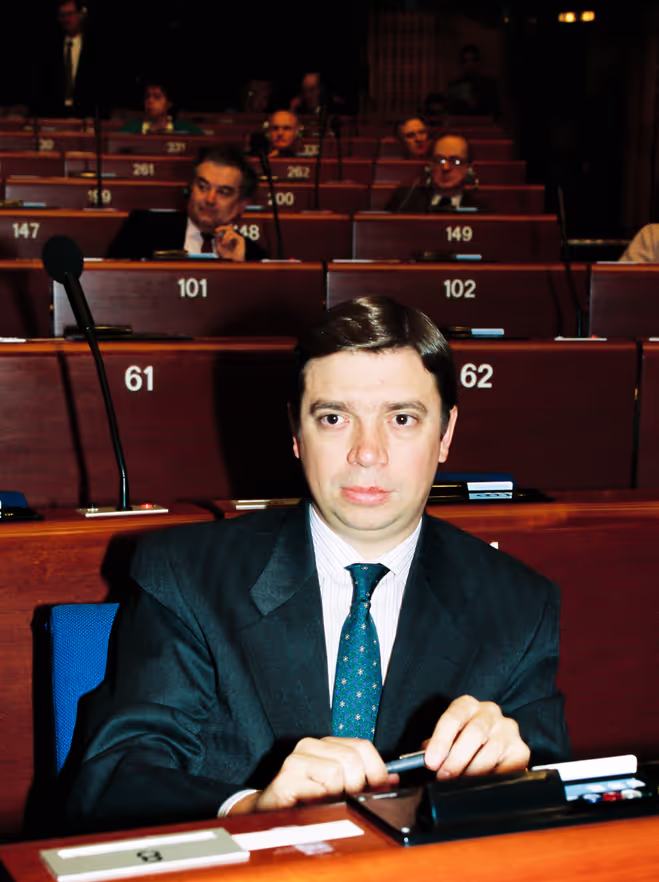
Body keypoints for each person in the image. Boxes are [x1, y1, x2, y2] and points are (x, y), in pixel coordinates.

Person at [64, 296, 569, 832]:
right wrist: (254, 811)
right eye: (333, 418)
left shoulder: (518, 605)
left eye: (402, 418)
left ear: (444, 434)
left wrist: (520, 778)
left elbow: (559, 808)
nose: (367, 452)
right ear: (296, 433)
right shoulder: (186, 576)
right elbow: (113, 782)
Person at [108, 145, 267, 261]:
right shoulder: (142, 229)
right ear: (190, 189)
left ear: (241, 206)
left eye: (223, 192)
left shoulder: (252, 256)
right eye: (202, 187)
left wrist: (237, 269)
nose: (209, 199)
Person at [387, 133, 482, 212]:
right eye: (439, 160)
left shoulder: (480, 210)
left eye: (455, 161)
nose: (446, 168)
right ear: (430, 166)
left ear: (468, 168)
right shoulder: (405, 200)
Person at [37, 0, 100, 117]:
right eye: (62, 15)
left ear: (80, 15)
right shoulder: (49, 48)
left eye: (70, 14)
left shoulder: (93, 48)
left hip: (86, 114)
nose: (66, 19)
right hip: (55, 114)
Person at [120, 80, 203, 136]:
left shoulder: (188, 131)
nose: (150, 101)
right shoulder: (129, 130)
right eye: (147, 96)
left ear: (169, 103)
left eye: (157, 97)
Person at [446, 44, 499, 118]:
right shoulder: (454, 85)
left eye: (473, 60)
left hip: (484, 125)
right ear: (461, 64)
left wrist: (478, 104)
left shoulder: (489, 84)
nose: (470, 64)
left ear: (478, 62)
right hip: (461, 125)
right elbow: (450, 110)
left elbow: (495, 110)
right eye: (466, 61)